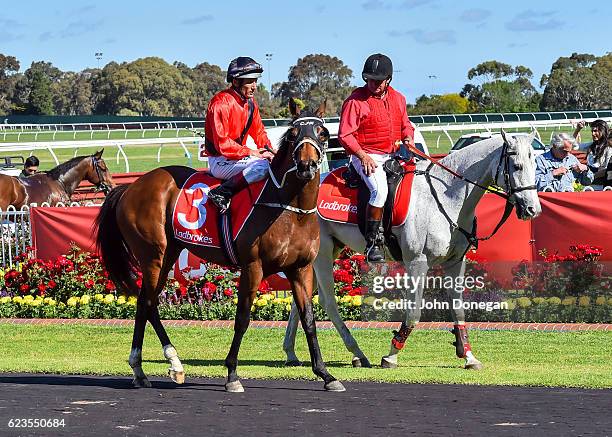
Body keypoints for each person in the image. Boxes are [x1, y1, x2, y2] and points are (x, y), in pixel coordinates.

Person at [338, 53, 415, 262]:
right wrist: (362, 155)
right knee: (379, 191)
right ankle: (373, 244)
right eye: (370, 79)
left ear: (388, 79)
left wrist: (408, 137)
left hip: (393, 155)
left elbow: (406, 125)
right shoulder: (355, 101)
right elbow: (345, 135)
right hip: (364, 155)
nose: (374, 84)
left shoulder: (399, 98)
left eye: (378, 81)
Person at [204, 56, 274, 213]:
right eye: (249, 81)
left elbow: (260, 133)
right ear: (235, 82)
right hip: (220, 160)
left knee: (273, 163)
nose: (254, 86)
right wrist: (252, 152)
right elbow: (222, 144)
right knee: (262, 167)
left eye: (255, 81)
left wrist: (271, 151)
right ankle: (221, 193)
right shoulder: (220, 103)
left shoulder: (251, 104)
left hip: (239, 157)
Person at [573, 119, 611, 187]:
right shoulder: (591, 145)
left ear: (603, 131)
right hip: (590, 184)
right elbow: (573, 146)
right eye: (592, 131)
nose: (593, 134)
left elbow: (607, 169)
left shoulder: (609, 148)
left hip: (602, 185)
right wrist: (578, 130)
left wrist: (591, 176)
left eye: (596, 131)